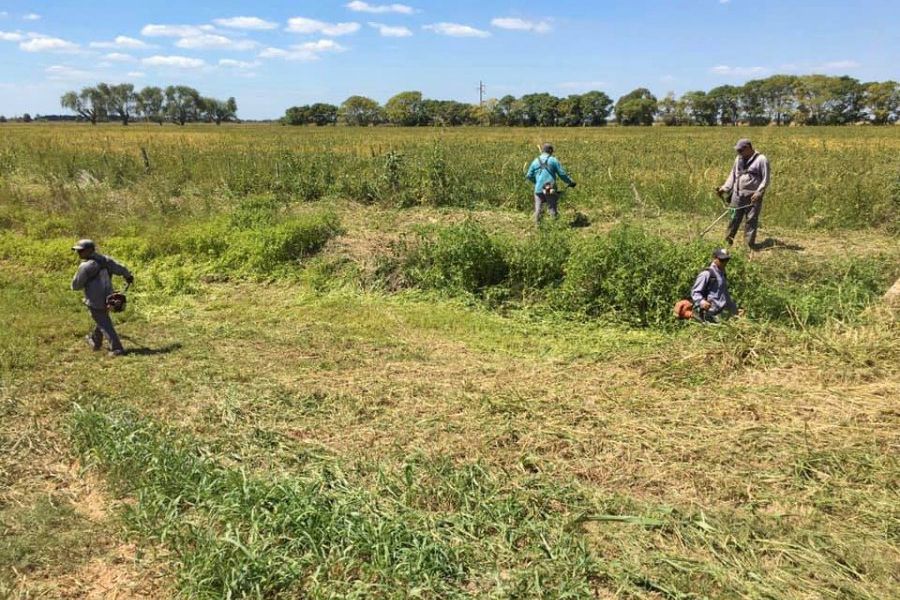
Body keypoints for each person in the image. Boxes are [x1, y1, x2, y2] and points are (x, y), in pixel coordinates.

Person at [71, 239, 134, 356]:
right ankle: (95, 341)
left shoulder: (85, 267)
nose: (78, 253)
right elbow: (120, 268)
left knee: (104, 323)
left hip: (95, 300)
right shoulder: (106, 260)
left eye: (81, 251)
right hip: (109, 298)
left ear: (90, 250)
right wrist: (128, 276)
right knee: (102, 319)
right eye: (78, 251)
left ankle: (117, 348)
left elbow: (75, 286)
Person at [717, 138, 770, 249]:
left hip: (752, 197)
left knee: (751, 221)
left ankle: (748, 246)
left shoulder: (761, 159)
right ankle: (727, 243)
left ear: (748, 148)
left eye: (741, 150)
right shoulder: (738, 158)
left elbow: (765, 179)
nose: (738, 152)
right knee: (733, 219)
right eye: (738, 150)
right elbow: (733, 175)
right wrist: (725, 188)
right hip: (737, 195)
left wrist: (759, 192)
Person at [526, 143, 576, 225]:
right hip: (549, 188)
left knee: (538, 209)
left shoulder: (535, 160)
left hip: (538, 189)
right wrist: (570, 182)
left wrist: (537, 182)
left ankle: (537, 228)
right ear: (550, 151)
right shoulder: (553, 160)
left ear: (542, 150)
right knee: (552, 209)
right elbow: (562, 174)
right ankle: (554, 227)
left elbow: (529, 175)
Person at [691, 248, 739, 323]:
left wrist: (734, 310)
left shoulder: (722, 274)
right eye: (722, 260)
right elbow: (695, 292)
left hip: (719, 314)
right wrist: (702, 302)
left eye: (726, 260)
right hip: (708, 315)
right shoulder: (706, 274)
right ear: (715, 259)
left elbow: (725, 295)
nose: (724, 263)